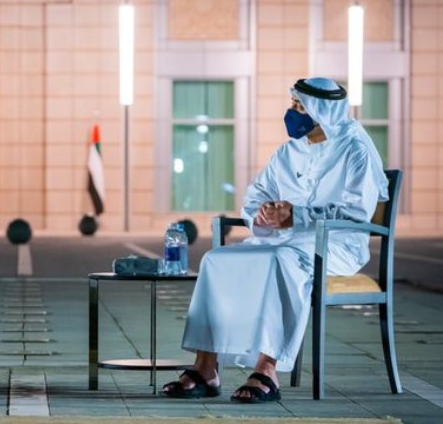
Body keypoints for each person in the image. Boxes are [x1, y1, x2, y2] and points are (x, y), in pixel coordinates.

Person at [161, 77, 388, 403]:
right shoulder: (287, 152)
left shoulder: (355, 151)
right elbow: (256, 195)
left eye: (300, 107)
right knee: (217, 260)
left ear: (323, 112)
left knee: (281, 261)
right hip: (285, 240)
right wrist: (262, 214)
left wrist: (297, 216)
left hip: (336, 244)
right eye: (293, 104)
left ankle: (267, 368)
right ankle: (206, 368)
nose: (292, 113)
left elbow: (356, 213)